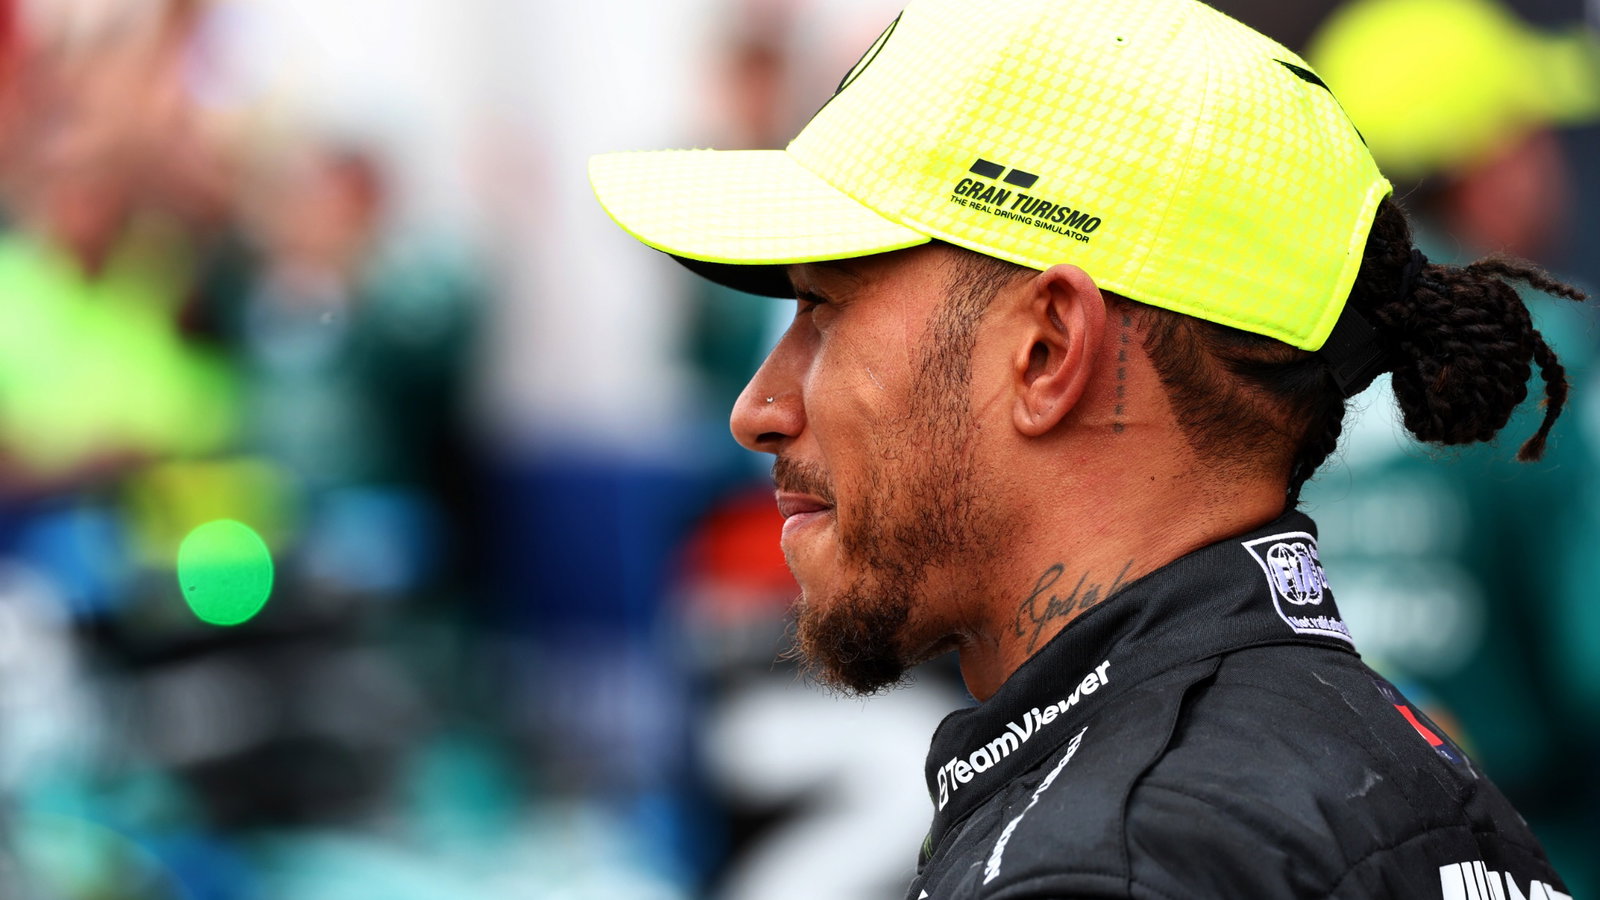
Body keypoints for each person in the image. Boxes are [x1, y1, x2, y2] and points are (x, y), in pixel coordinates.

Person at [589, 0, 1580, 896]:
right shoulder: (1399, 761)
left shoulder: (1105, 858)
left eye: (821, 310)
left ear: (1046, 350)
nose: (757, 408)